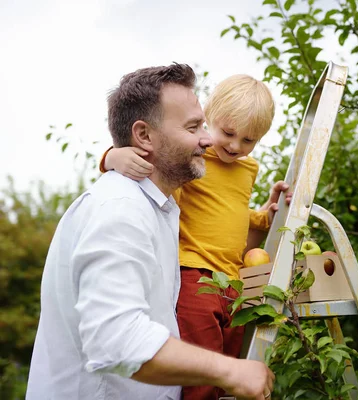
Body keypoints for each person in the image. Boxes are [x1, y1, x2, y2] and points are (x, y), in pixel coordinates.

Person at [26, 63, 275, 400]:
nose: (208, 140)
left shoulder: (163, 209)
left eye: (203, 125)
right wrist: (229, 370)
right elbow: (118, 339)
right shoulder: (119, 210)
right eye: (193, 127)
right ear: (143, 136)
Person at [100, 74, 291, 399]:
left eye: (249, 140)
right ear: (208, 118)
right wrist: (111, 157)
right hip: (196, 275)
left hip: (233, 283)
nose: (234, 146)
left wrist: (266, 214)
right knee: (201, 370)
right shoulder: (194, 156)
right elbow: (147, 155)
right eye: (228, 133)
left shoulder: (247, 168)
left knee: (229, 368)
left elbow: (230, 210)